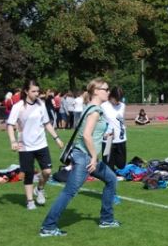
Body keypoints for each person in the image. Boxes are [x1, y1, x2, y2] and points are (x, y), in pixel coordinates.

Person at [40, 78, 120, 236]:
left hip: (86, 156)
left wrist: (104, 135)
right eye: (106, 89)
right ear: (96, 91)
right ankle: (48, 227)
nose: (108, 92)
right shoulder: (95, 111)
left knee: (111, 179)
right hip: (86, 158)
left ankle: (107, 219)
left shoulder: (91, 107)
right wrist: (93, 157)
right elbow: (86, 135)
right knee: (69, 192)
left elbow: (90, 132)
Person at [6, 79, 64, 210]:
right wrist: (13, 141)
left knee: (47, 171)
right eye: (33, 91)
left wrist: (56, 138)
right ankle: (30, 201)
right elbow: (10, 125)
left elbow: (46, 123)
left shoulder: (41, 104)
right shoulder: (18, 106)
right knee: (28, 174)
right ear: (26, 91)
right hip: (25, 146)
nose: (37, 94)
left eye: (38, 91)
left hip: (41, 144)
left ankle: (40, 189)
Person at [102, 86, 127, 171]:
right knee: (108, 166)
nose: (118, 101)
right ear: (111, 96)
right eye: (116, 99)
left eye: (120, 99)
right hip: (108, 139)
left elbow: (121, 120)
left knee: (121, 165)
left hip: (121, 138)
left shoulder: (122, 106)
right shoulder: (103, 106)